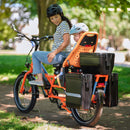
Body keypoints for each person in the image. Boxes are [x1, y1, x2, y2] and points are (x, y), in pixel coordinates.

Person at [29, 4, 72, 86]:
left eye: (56, 17)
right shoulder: (62, 25)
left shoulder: (63, 25)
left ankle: (40, 79)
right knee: (40, 56)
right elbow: (62, 38)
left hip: (59, 55)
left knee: (35, 55)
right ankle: (47, 82)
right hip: (62, 55)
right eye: (52, 18)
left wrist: (54, 53)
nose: (54, 20)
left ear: (61, 14)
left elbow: (66, 42)